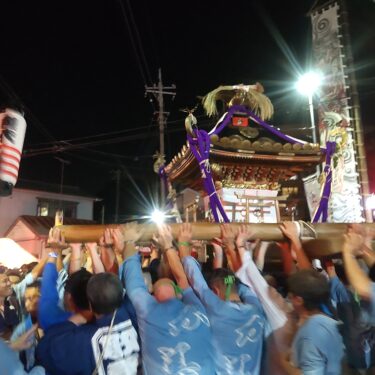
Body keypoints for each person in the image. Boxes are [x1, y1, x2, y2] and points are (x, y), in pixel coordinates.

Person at [122, 222, 215, 374]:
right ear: (179, 295)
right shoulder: (198, 309)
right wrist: (167, 246)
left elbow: (134, 285)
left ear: (152, 297)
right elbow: (183, 280)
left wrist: (129, 241)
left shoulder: (148, 312)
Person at [179, 223, 267, 375]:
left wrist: (182, 243)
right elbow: (244, 284)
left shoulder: (217, 308)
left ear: (216, 290)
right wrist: (230, 248)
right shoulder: (257, 308)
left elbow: (198, 282)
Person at [36, 272, 140, 375]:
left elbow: (43, 350)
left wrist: (75, 320)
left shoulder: (83, 340)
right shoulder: (134, 313)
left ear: (90, 305)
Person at [283, 269, 344, 374]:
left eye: (290, 296)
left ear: (298, 300)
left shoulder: (311, 331)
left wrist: (281, 361)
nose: (288, 300)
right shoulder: (329, 318)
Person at [11, 281, 43, 371]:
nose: (26, 304)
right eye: (26, 299)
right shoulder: (21, 330)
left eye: (31, 298)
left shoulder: (60, 323)